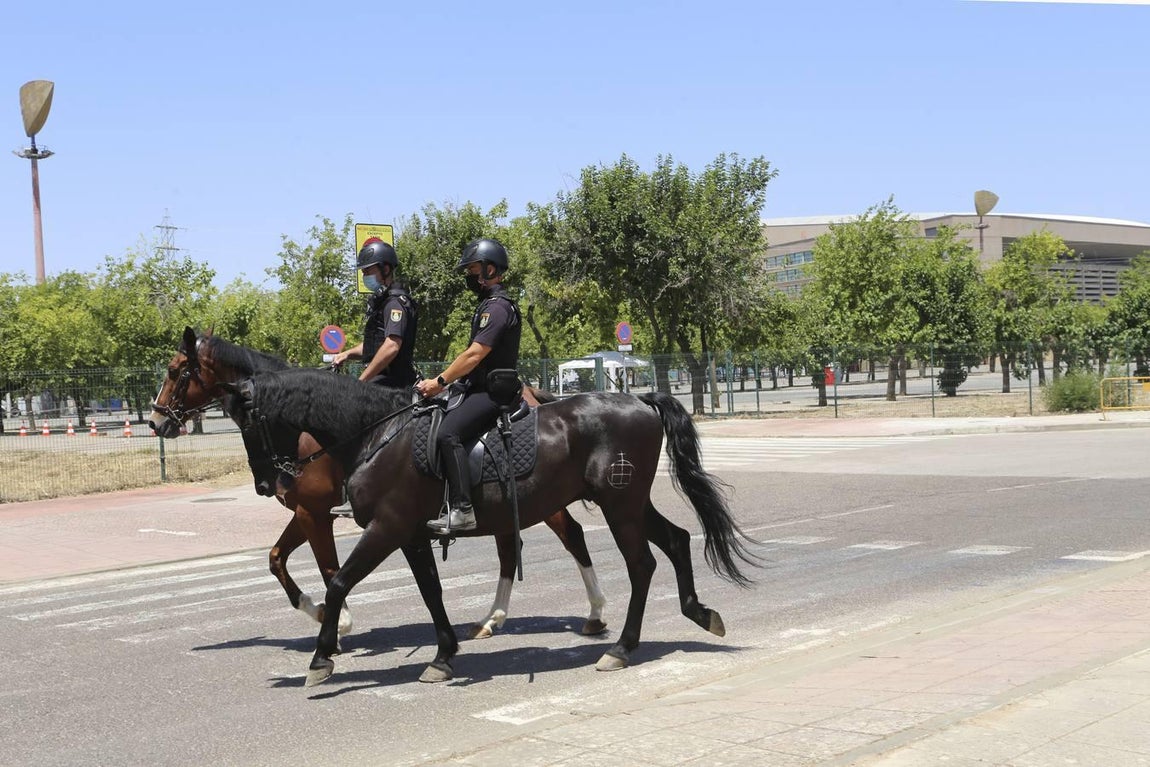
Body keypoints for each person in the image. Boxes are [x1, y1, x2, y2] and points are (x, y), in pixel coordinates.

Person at [415, 237, 521, 533]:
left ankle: (463, 509)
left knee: (448, 434)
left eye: (473, 270)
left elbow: (475, 354)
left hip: (492, 392)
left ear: (490, 269)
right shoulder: (488, 305)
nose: (469, 277)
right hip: (477, 387)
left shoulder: (498, 308)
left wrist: (439, 382)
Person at [332, 239, 419, 388]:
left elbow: (391, 345)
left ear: (385, 269)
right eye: (363, 272)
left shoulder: (394, 303)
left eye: (368, 271)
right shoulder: (383, 302)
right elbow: (375, 345)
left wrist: (361, 382)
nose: (364, 276)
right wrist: (347, 354)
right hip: (382, 381)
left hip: (393, 385)